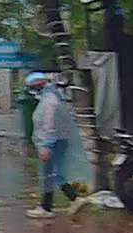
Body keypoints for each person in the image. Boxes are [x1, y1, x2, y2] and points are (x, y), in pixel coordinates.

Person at [26, 72, 87, 219]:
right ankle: (47, 206)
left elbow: (49, 125)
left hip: (52, 142)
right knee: (50, 174)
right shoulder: (52, 97)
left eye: (32, 86)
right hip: (55, 140)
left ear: (38, 85)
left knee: (52, 173)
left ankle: (71, 199)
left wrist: (47, 145)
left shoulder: (49, 101)